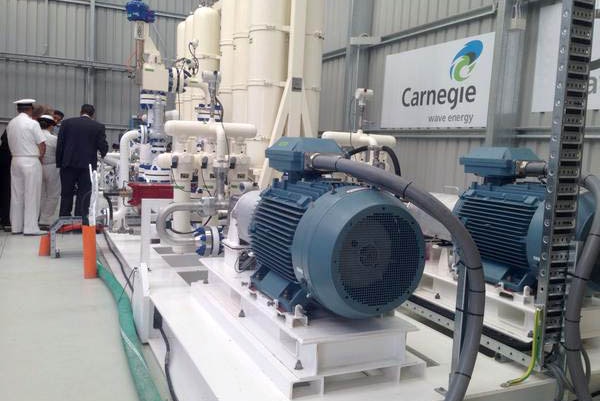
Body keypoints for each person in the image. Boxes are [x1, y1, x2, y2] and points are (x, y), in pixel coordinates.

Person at [57, 104, 108, 221]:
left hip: (68, 164)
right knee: (84, 193)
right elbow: (103, 147)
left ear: (81, 112)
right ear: (93, 114)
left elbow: (60, 144)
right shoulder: (98, 126)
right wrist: (103, 152)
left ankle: (64, 218)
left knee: (66, 193)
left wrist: (60, 163)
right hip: (87, 166)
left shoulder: (67, 123)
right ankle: (80, 219)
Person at [6, 99, 47, 235]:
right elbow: (42, 144)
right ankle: (30, 227)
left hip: (15, 160)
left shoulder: (11, 123)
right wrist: (40, 158)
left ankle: (16, 227)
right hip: (30, 160)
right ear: (30, 109)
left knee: (17, 195)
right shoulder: (32, 123)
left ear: (18, 110)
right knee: (32, 194)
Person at [38, 115, 61, 229]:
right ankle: (45, 219)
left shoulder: (34, 136)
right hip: (52, 167)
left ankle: (38, 216)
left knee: (40, 194)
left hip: (37, 167)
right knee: (53, 194)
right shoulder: (53, 139)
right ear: (51, 125)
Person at [0, 127, 11, 232]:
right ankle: (6, 220)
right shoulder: (11, 151)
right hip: (8, 167)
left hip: (3, 164)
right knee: (7, 193)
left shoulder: (3, 148)